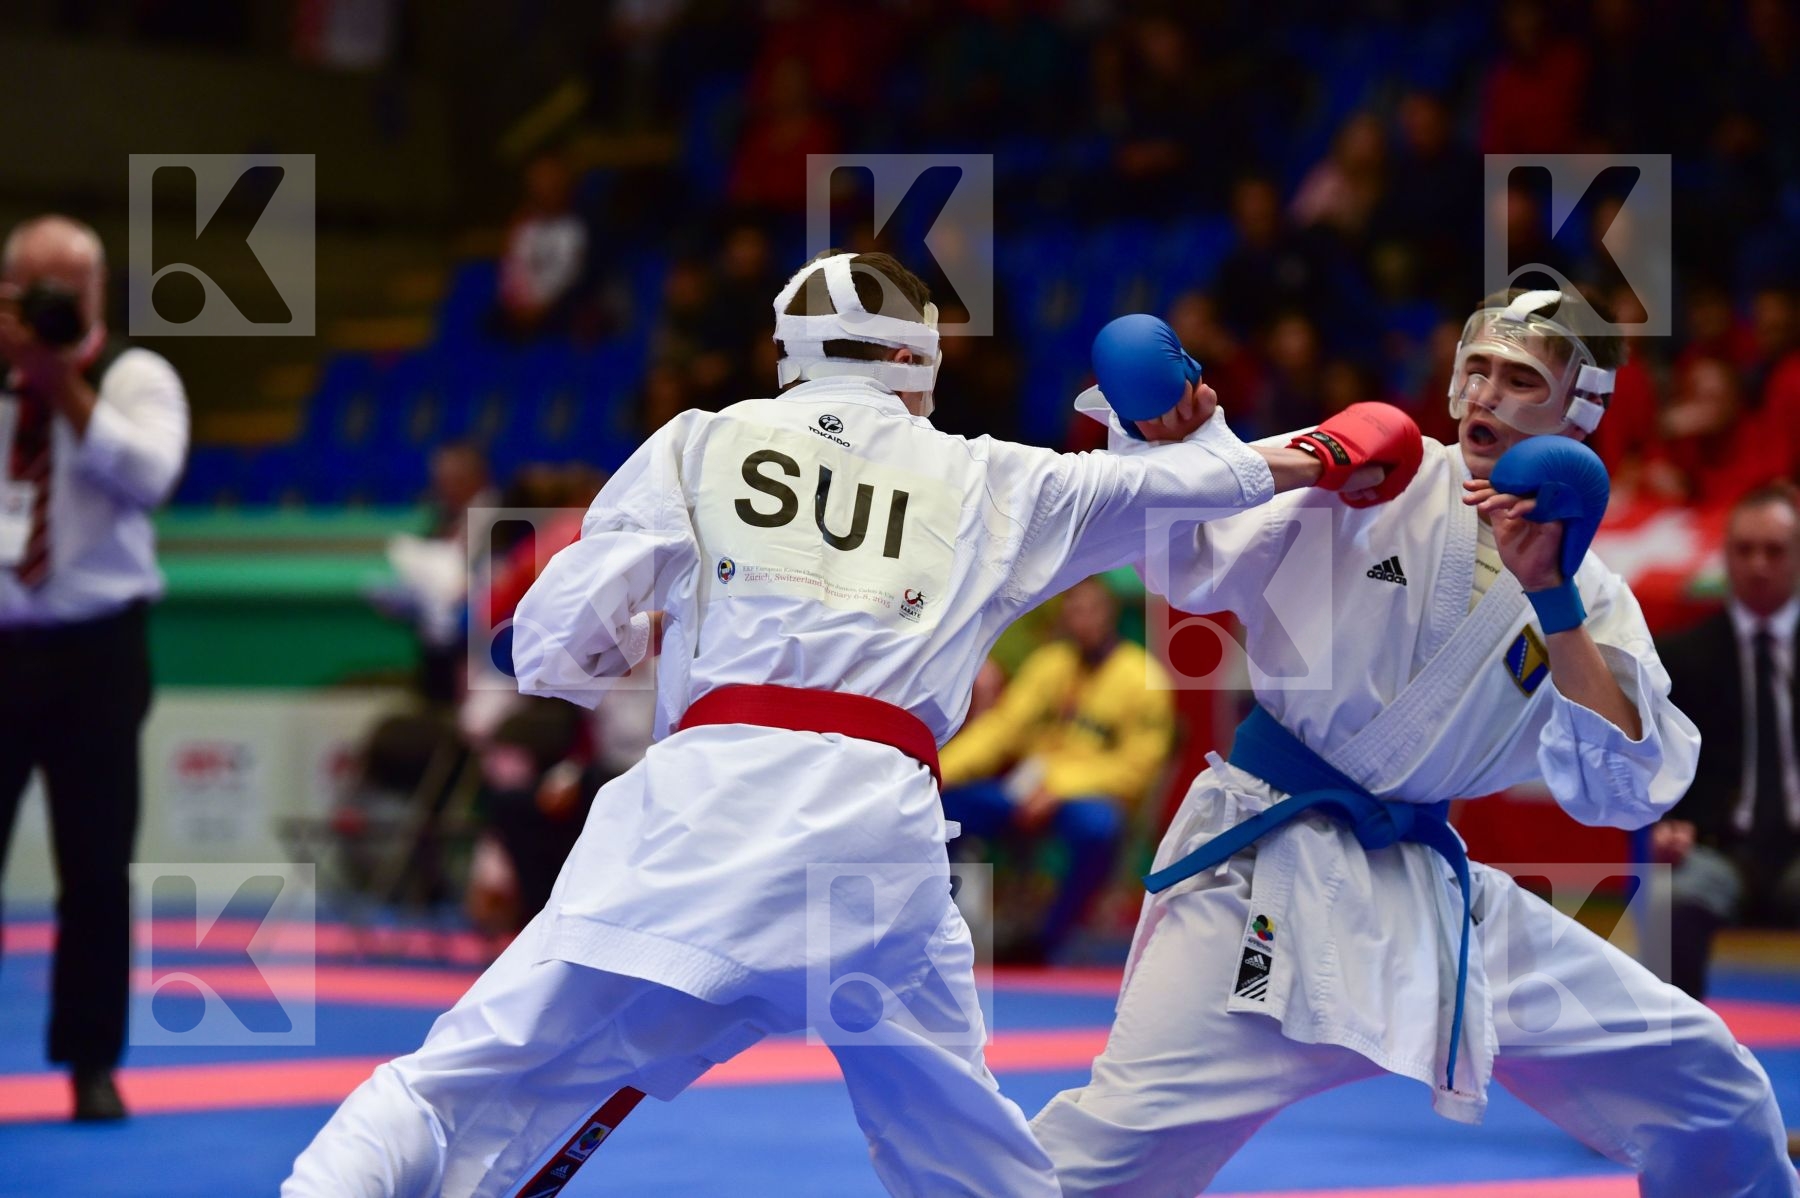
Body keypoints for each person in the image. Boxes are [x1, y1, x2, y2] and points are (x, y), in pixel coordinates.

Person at [282, 251, 1420, 1197]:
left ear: (787, 353)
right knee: (965, 1156)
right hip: (876, 845)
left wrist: (614, 649)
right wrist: (1277, 436)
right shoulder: (988, 477)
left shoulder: (698, 441)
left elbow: (547, 643)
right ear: (920, 358)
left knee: (455, 1081)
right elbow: (1220, 489)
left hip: (700, 819)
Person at [1033, 289, 1799, 1197]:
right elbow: (1192, 561)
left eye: (1521, 380)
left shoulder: (1590, 590)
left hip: (1429, 891)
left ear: (1578, 414)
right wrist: (1176, 440)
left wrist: (1551, 599)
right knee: (1101, 1163)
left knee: (1712, 1088)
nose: (1487, 395)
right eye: (1477, 370)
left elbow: (1627, 790)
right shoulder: (1373, 472)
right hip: (1262, 870)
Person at [0, 215, 189, 1121]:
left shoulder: (134, 379)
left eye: (64, 290)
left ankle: (91, 1064)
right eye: (30, 288)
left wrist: (59, 382)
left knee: (96, 864)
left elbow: (148, 477)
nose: (47, 306)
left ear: (97, 295)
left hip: (97, 652)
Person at [939, 575, 1175, 962]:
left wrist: (1058, 788)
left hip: (1084, 798)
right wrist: (939, 769)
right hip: (1024, 792)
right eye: (1073, 609)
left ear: (1109, 615)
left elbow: (1139, 768)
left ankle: (1048, 940)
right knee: (949, 808)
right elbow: (1001, 730)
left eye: (1090, 610)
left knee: (1100, 828)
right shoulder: (1050, 664)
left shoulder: (1143, 678)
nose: (1081, 619)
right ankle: (948, 925)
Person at [1655, 484, 1800, 1000]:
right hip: (1714, 848)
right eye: (1745, 550)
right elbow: (1652, 761)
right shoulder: (1679, 657)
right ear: (1726, 557)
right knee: (1669, 905)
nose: (1759, 565)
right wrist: (1664, 824)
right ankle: (1680, 1058)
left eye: (1775, 551)